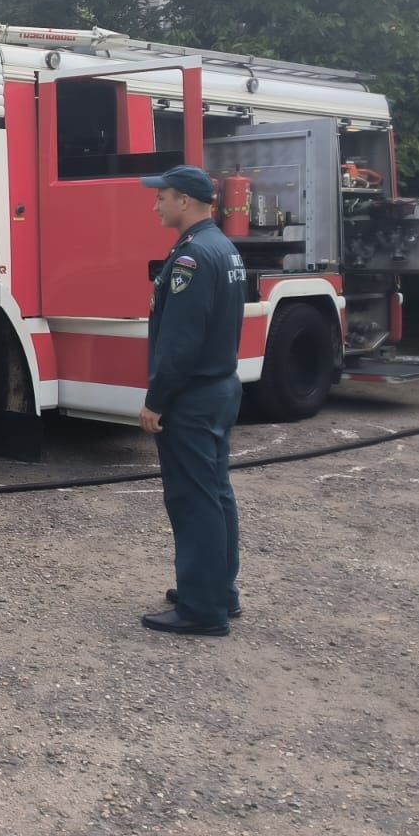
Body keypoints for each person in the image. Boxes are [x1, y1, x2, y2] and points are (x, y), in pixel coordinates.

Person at [137, 165, 246, 638]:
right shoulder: (221, 247)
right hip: (220, 387)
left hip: (193, 396)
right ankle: (217, 590)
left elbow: (180, 342)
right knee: (216, 493)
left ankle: (203, 609)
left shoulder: (192, 258)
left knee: (193, 498)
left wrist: (155, 401)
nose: (155, 205)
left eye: (161, 197)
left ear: (184, 201)